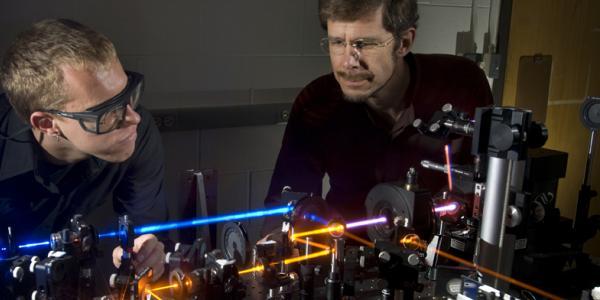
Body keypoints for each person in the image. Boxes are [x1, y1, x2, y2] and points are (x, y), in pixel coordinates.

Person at [264, 0, 493, 233]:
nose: (348, 63)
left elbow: (490, 190)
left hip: (440, 257)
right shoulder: (317, 104)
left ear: (403, 43)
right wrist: (278, 241)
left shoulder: (462, 85)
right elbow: (283, 204)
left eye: (364, 44)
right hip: (348, 254)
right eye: (337, 42)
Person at [0, 19, 166, 281]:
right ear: (47, 124)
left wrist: (147, 249)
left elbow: (147, 228)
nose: (133, 118)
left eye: (128, 94)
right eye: (108, 112)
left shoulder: (136, 133)